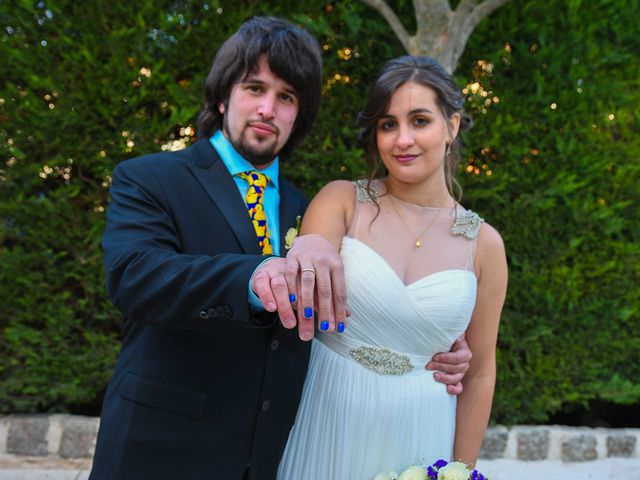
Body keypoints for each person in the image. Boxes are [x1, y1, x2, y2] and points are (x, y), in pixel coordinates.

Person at [89, 17, 472, 480]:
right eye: (254, 88)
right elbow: (136, 277)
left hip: (272, 456)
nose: (267, 108)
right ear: (222, 95)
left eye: (286, 97)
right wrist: (250, 277)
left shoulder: (309, 211)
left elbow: (348, 314)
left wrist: (432, 342)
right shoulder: (150, 178)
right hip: (159, 450)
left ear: (299, 115)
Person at [277, 56, 508, 479]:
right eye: (388, 124)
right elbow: (304, 283)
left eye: (420, 121)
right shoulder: (341, 202)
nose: (403, 139)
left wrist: (461, 471)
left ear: (451, 126)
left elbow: (479, 374)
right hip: (327, 414)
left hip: (422, 431)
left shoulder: (485, 245)